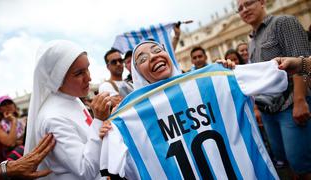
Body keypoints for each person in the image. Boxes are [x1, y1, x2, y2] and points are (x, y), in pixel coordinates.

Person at [99, 40, 288, 179]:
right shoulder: (128, 119)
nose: (154, 56)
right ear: (137, 73)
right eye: (142, 58)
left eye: (157, 50)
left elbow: (281, 70)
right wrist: (107, 127)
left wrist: (229, 72)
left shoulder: (216, 78)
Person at [237, 0, 311, 178]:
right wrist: (256, 107)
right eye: (239, 8)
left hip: (290, 105)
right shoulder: (252, 42)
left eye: (248, 3)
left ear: (262, 2)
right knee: (285, 162)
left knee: (302, 163)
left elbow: (302, 59)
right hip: (268, 112)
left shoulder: (283, 22)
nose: (244, 10)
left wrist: (300, 100)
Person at [24, 40, 108, 180]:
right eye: (79, 73)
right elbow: (85, 169)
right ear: (58, 78)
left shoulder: (72, 98)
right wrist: (98, 120)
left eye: (87, 68)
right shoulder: (52, 117)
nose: (89, 78)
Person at [0, 97, 26, 161]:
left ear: (15, 107)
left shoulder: (24, 121)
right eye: (4, 104)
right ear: (0, 109)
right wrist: (13, 121)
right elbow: (10, 143)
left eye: (10, 103)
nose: (7, 106)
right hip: (10, 160)